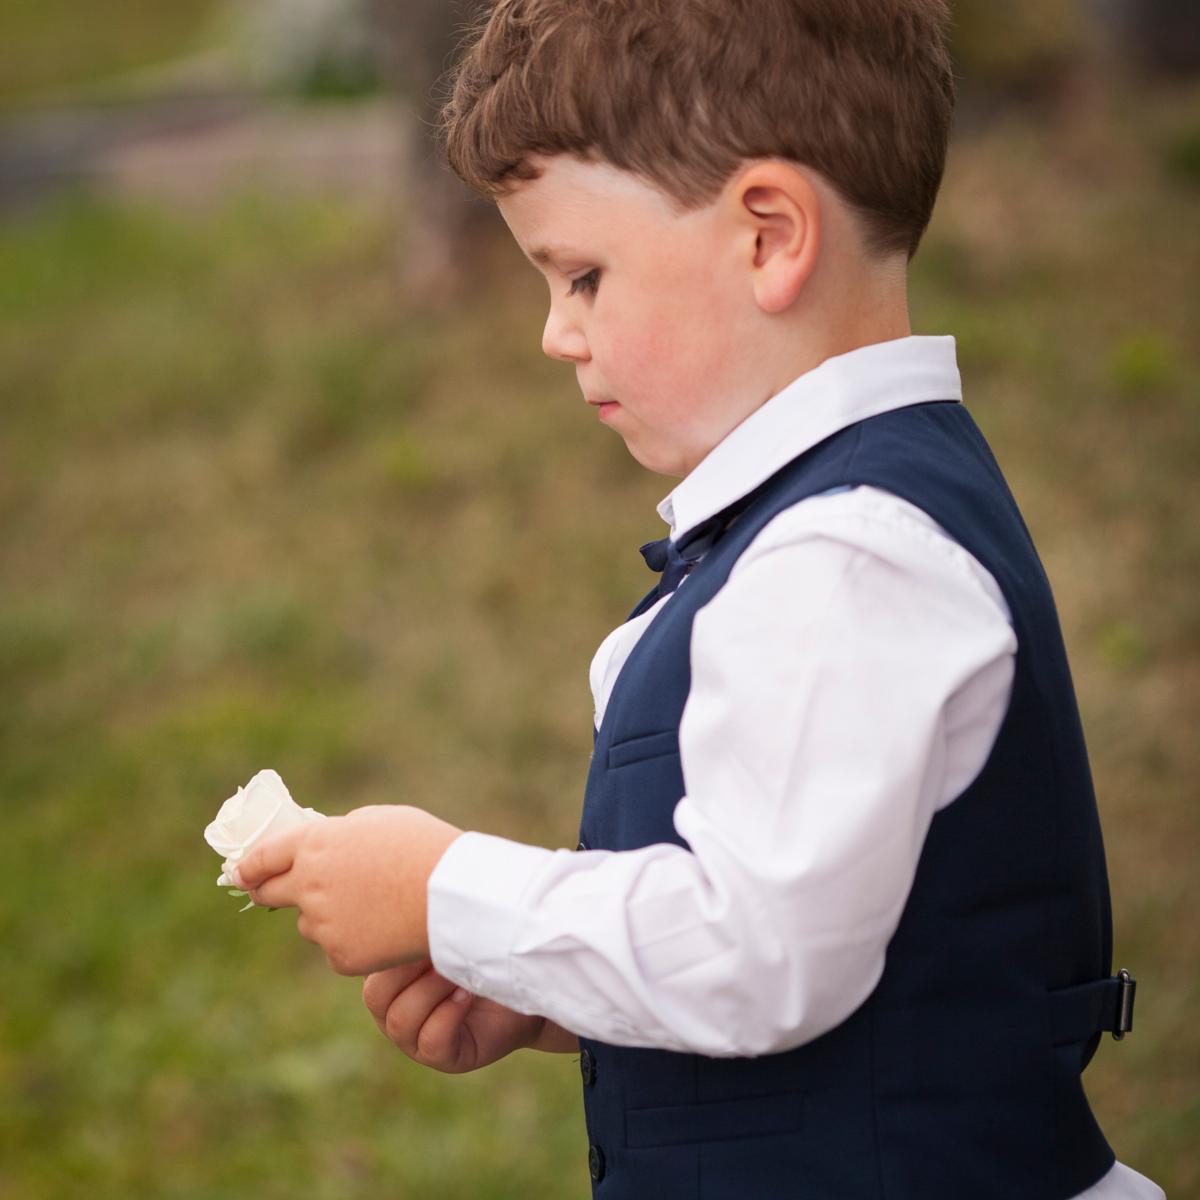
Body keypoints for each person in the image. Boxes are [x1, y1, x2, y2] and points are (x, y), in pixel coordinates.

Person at [233, 2, 1163, 1196]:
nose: (555, 336)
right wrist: (543, 986)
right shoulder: (821, 528)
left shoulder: (847, 553)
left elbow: (764, 950)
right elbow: (831, 948)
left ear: (770, 235)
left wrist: (446, 886)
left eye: (581, 276)